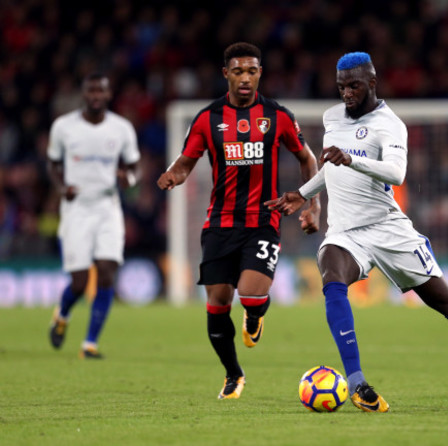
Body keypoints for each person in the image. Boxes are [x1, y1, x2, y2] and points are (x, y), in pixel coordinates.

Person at [266, 52, 448, 412]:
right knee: (331, 272)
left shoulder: (390, 124)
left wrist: (351, 158)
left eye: (354, 86)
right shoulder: (332, 118)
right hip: (346, 231)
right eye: (341, 87)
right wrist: (303, 194)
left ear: (372, 83)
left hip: (388, 229)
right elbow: (332, 168)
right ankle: (358, 383)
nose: (346, 94)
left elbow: (396, 173)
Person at [157, 42, 320, 400]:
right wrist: (173, 174)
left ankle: (255, 313)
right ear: (226, 74)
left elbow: (307, 159)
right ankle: (233, 374)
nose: (245, 78)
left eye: (252, 71)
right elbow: (186, 162)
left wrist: (312, 203)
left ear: (260, 73)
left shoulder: (278, 116)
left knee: (249, 294)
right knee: (217, 303)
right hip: (219, 222)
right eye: (238, 71)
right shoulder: (206, 119)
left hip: (263, 220)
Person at [48, 73, 141, 359]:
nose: (96, 96)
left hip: (107, 206)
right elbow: (53, 163)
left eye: (100, 91)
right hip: (76, 208)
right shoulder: (64, 127)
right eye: (91, 91)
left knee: (106, 271)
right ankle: (62, 314)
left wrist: (130, 180)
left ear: (108, 94)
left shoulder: (121, 128)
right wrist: (62, 188)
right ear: (83, 94)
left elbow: (135, 167)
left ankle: (90, 343)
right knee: (78, 281)